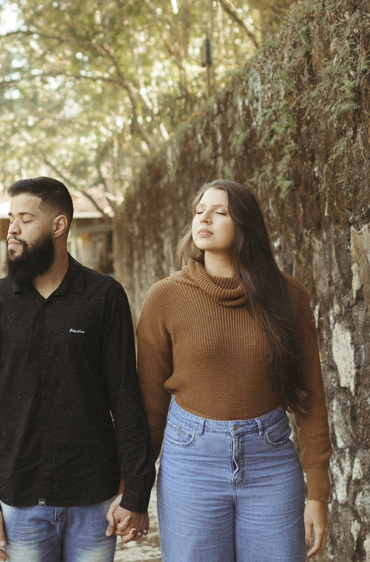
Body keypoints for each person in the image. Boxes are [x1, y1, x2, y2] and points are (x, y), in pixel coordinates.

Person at [136, 180, 332, 560]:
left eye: (219, 211)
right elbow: (149, 407)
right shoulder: (165, 297)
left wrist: (317, 494)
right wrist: (134, 490)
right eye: (199, 211)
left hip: (270, 460)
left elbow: (310, 398)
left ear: (245, 226)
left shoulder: (288, 294)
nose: (204, 218)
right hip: (191, 460)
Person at [0, 176, 155, 561]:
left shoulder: (104, 297)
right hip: (19, 503)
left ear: (58, 226)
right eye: (10, 218)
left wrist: (136, 492)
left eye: (25, 219)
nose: (12, 230)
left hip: (94, 502)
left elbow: (125, 396)